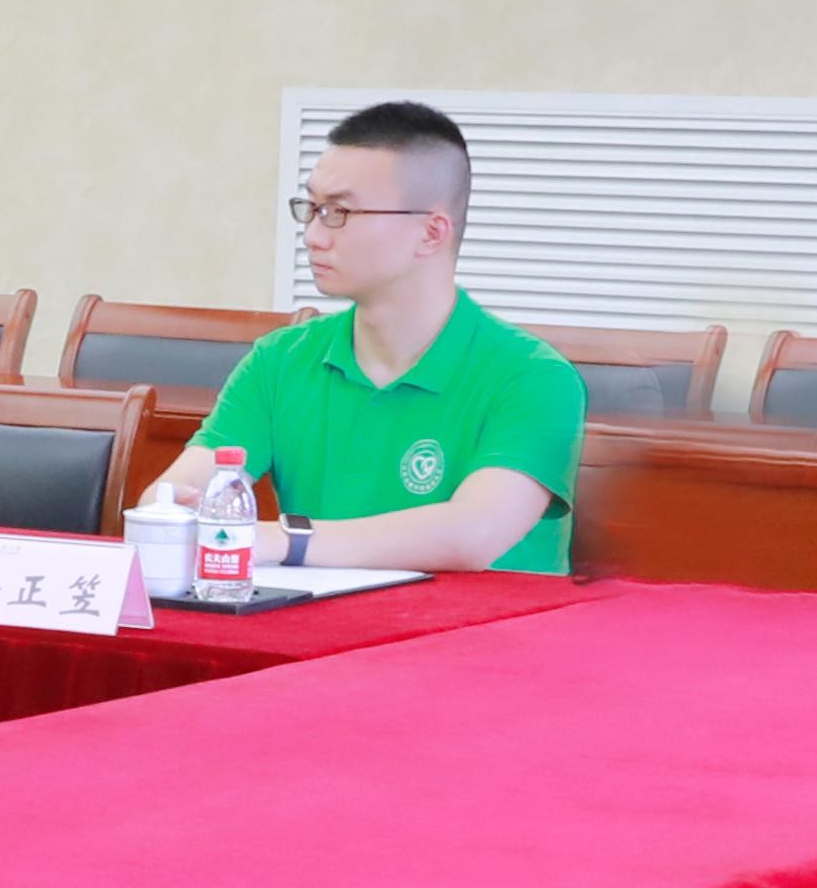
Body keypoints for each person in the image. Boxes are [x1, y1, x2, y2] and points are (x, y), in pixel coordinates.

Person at [151, 98, 586, 574]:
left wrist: (282, 539)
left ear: (431, 233)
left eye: (339, 212)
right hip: (318, 619)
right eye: (312, 208)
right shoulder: (279, 360)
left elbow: (472, 535)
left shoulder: (534, 378)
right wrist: (174, 512)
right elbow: (169, 498)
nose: (314, 236)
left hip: (485, 623)